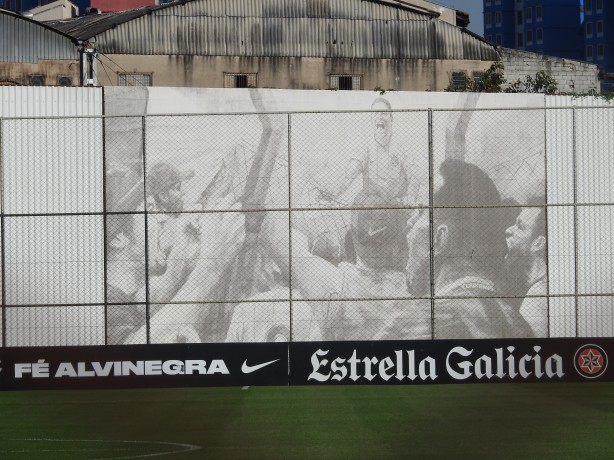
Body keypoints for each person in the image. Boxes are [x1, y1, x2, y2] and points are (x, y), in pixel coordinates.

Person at [258, 191, 429, 341]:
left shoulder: (336, 285)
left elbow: (271, 233)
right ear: (400, 245)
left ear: (351, 239)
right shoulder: (421, 295)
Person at [394, 158, 534, 339]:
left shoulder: (414, 326)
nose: (408, 226)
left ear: (439, 239)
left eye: (420, 213)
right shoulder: (517, 324)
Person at [313, 97, 421, 205]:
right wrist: (331, 192)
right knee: (361, 205)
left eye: (384, 113)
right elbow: (350, 174)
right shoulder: (365, 146)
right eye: (375, 113)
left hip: (395, 203)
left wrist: (411, 197)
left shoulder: (402, 145)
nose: (379, 116)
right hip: (372, 203)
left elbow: (414, 176)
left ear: (391, 118)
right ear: (371, 118)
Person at [504, 199, 548, 337]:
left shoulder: (537, 302)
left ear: (538, 243)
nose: (508, 230)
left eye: (520, 227)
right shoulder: (524, 284)